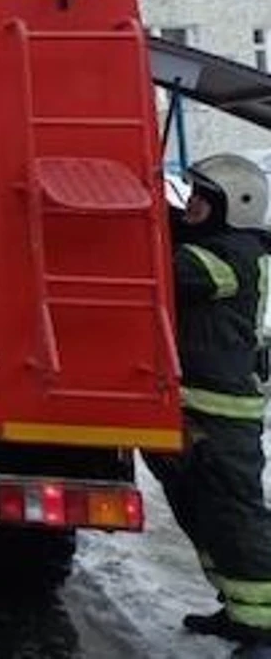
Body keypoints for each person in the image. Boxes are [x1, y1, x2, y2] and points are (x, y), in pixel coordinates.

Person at [145, 153, 271, 656]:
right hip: (201, 407)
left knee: (234, 518)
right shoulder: (225, 245)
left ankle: (261, 627)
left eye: (202, 199)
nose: (191, 204)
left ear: (232, 207)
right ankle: (238, 609)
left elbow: (168, 268)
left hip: (222, 415)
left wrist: (150, 215)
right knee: (205, 514)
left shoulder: (228, 256)